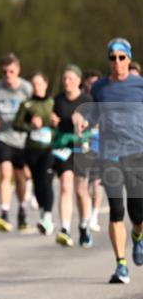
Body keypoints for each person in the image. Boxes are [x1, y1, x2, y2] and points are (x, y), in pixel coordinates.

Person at [75, 38, 143, 284]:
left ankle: (138, 236)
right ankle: (120, 264)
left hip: (136, 153)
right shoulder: (100, 87)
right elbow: (95, 112)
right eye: (112, 58)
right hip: (109, 153)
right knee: (116, 209)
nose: (117, 62)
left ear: (128, 58)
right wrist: (87, 121)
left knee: (138, 213)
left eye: (121, 57)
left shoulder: (139, 85)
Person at [0, 53, 33, 232]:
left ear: (18, 70)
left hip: (22, 138)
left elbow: (35, 107)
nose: (8, 75)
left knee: (20, 176)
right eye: (4, 72)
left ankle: (22, 209)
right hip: (3, 136)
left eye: (11, 71)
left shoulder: (26, 88)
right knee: (5, 171)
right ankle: (4, 213)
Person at [50, 64, 93, 247]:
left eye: (70, 78)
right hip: (64, 148)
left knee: (81, 191)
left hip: (81, 148)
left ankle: (84, 226)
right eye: (64, 79)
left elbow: (95, 122)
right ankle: (65, 229)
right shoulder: (58, 100)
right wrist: (52, 121)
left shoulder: (87, 100)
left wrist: (84, 123)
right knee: (65, 187)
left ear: (78, 80)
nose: (66, 82)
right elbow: (52, 121)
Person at [13, 72, 56, 235]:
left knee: (46, 180)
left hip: (49, 148)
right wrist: (30, 125)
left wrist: (53, 123)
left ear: (45, 84)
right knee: (37, 183)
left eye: (39, 84)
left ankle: (48, 216)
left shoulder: (53, 103)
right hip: (32, 149)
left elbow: (61, 122)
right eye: (34, 84)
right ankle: (43, 213)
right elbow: (16, 124)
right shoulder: (27, 104)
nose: (37, 87)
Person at [82, 70, 106, 233]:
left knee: (96, 183)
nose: (92, 86)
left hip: (101, 147)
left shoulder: (105, 99)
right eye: (89, 83)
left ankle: (94, 216)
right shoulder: (81, 101)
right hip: (83, 147)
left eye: (95, 83)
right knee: (85, 185)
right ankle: (88, 212)